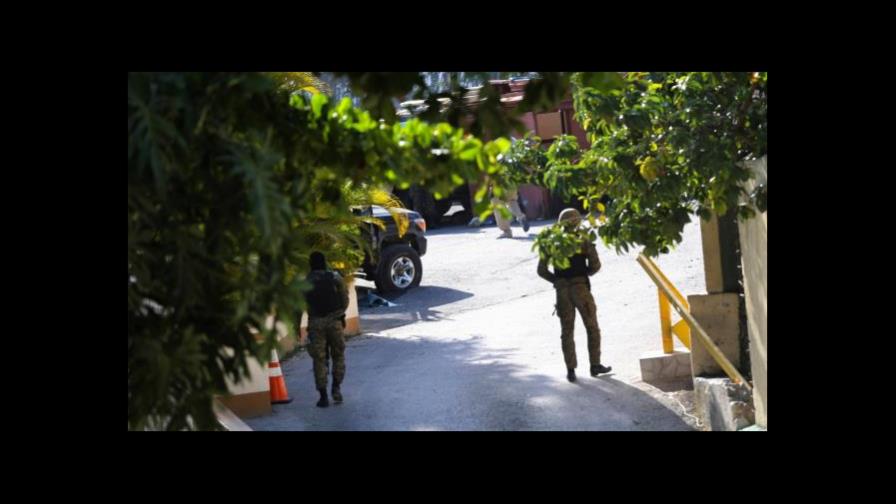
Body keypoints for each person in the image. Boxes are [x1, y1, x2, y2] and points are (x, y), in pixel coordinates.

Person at [536, 209, 611, 382]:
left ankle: (570, 370)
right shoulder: (583, 238)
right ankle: (595, 365)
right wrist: (585, 274)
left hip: (562, 291)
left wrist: (557, 281)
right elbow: (596, 265)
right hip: (580, 288)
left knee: (567, 331)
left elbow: (541, 270)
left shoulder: (551, 241)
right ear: (577, 221)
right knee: (592, 326)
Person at [303, 251, 350, 407]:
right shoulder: (334, 277)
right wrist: (340, 314)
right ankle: (336, 389)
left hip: (316, 324)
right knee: (338, 356)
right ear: (324, 262)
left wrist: (296, 326)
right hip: (335, 322)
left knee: (319, 359)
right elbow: (344, 299)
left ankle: (323, 396)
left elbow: (299, 306)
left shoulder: (306, 281)